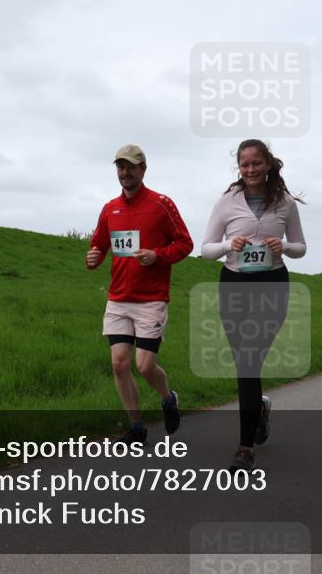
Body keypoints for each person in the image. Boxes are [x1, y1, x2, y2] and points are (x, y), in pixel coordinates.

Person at [201, 139, 307, 471]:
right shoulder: (226, 202)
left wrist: (285, 246)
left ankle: (245, 447)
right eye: (244, 164)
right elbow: (204, 248)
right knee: (245, 364)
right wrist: (227, 244)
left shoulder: (285, 203)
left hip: (272, 285)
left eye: (256, 163)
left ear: (268, 164)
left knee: (249, 360)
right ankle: (257, 407)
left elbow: (301, 246)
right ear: (239, 167)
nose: (250, 169)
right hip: (233, 285)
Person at [87, 145, 193, 444]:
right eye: (120, 167)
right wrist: (92, 258)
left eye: (131, 167)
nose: (125, 173)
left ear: (143, 169)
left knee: (144, 365)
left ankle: (167, 397)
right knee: (119, 363)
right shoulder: (110, 208)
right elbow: (98, 245)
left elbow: (185, 244)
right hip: (118, 298)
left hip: (151, 299)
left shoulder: (161, 204)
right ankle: (137, 428)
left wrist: (157, 255)